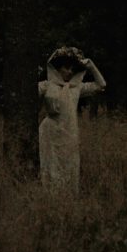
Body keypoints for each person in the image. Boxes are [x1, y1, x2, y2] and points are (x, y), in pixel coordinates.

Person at [38, 46, 107, 192]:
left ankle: (67, 201)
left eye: (72, 69)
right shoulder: (47, 85)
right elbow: (28, 92)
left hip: (69, 132)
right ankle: (50, 201)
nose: (69, 72)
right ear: (58, 68)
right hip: (50, 133)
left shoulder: (76, 88)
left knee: (69, 167)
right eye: (66, 68)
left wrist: (91, 66)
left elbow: (101, 85)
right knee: (51, 167)